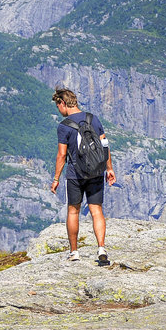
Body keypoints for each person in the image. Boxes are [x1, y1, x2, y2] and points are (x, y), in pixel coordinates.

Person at [50, 88, 116, 265]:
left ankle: (74, 252)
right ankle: (101, 247)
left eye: (58, 106)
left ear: (63, 103)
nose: (59, 111)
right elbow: (104, 145)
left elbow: (61, 155)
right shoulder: (93, 118)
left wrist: (56, 178)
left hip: (75, 174)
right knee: (96, 210)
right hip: (96, 170)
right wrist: (109, 168)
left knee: (73, 211)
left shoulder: (64, 126)